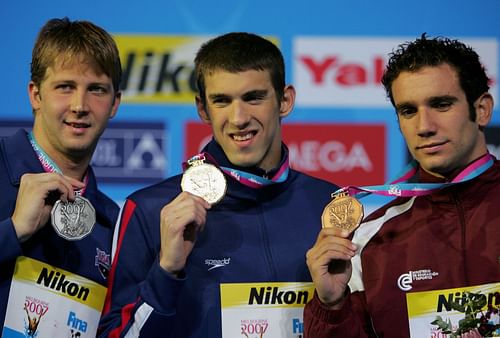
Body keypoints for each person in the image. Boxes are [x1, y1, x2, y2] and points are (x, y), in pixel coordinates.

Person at [99, 32, 339, 337]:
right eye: (222, 101)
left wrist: (334, 306)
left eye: (253, 97)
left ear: (285, 100)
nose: (238, 118)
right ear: (202, 109)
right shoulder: (151, 209)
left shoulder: (330, 207)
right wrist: (166, 272)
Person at [303, 34, 500, 337]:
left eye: (442, 104)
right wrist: (331, 307)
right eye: (408, 111)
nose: (424, 127)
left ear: (482, 109)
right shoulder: (370, 238)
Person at [0, 17, 122, 336]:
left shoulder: (114, 222)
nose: (80, 105)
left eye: (96, 89)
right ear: (36, 94)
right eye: (65, 87)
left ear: (115, 104)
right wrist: (13, 231)